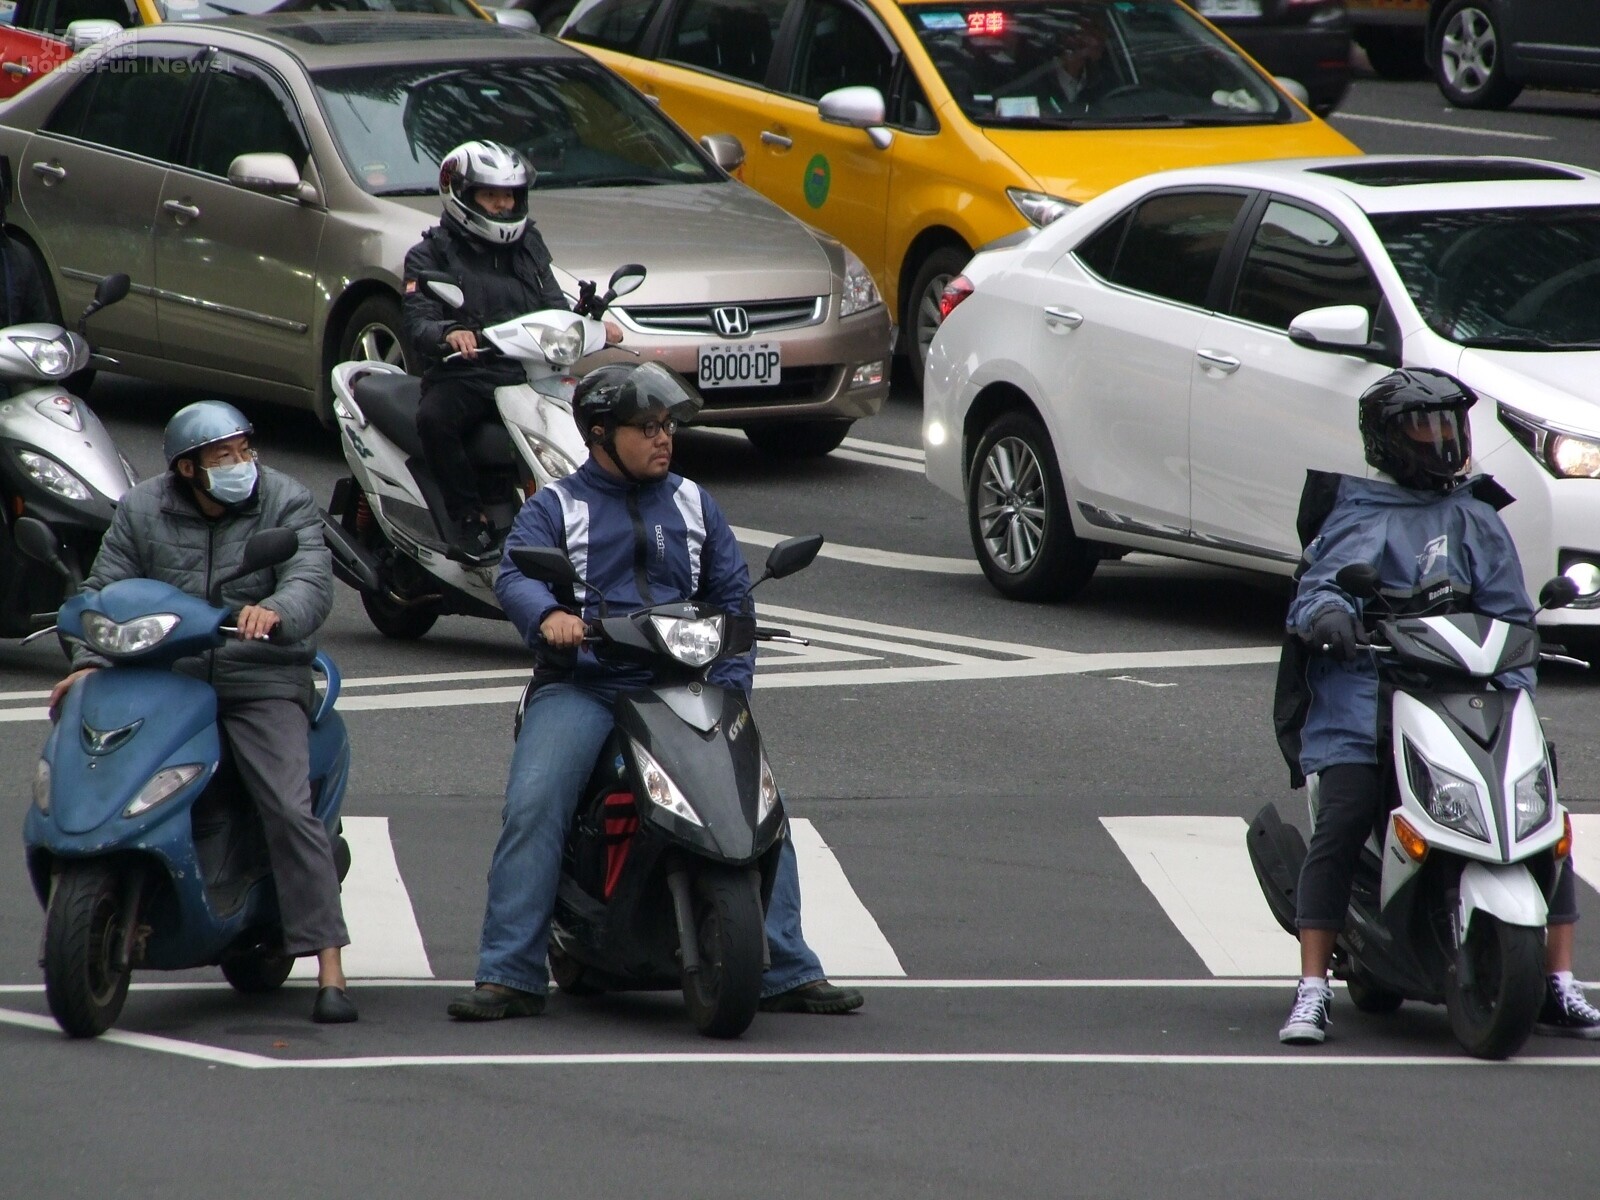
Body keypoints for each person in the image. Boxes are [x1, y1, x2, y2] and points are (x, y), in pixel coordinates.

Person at [447, 361, 864, 1021]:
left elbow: (732, 597)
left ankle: (783, 966)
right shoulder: (558, 506)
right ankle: (510, 972)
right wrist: (547, 616)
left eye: (666, 426)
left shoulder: (694, 501)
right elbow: (515, 576)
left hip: (686, 683)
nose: (663, 438)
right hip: (586, 687)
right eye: (647, 428)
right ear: (600, 435)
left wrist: (730, 689)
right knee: (536, 805)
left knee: (760, 811)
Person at [1273, 368, 1600, 1045]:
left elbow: (1510, 612)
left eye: (1451, 425)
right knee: (1343, 812)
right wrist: (1331, 616)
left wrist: (1526, 659)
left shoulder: (1477, 515)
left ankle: (1560, 983)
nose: (1443, 440)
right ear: (1389, 441)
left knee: (1545, 819)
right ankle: (1311, 988)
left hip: (1469, 693)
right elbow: (1320, 587)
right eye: (1426, 427)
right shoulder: (1359, 514)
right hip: (1371, 692)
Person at [47, 402, 357, 1025]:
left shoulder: (285, 501)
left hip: (259, 675)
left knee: (288, 807)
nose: (241, 464)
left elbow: (309, 580)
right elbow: (101, 588)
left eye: (245, 450)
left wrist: (274, 612)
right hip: (166, 674)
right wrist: (86, 657)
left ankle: (329, 964)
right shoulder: (143, 508)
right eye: (224, 457)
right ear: (187, 469)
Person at [401, 139, 619, 563]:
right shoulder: (430, 254)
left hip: (528, 372)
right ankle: (468, 518)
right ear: (461, 196)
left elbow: (553, 303)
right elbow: (417, 318)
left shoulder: (529, 245)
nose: (503, 205)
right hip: (466, 374)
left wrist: (591, 326)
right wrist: (449, 334)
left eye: (509, 195)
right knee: (435, 418)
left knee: (602, 415)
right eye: (491, 195)